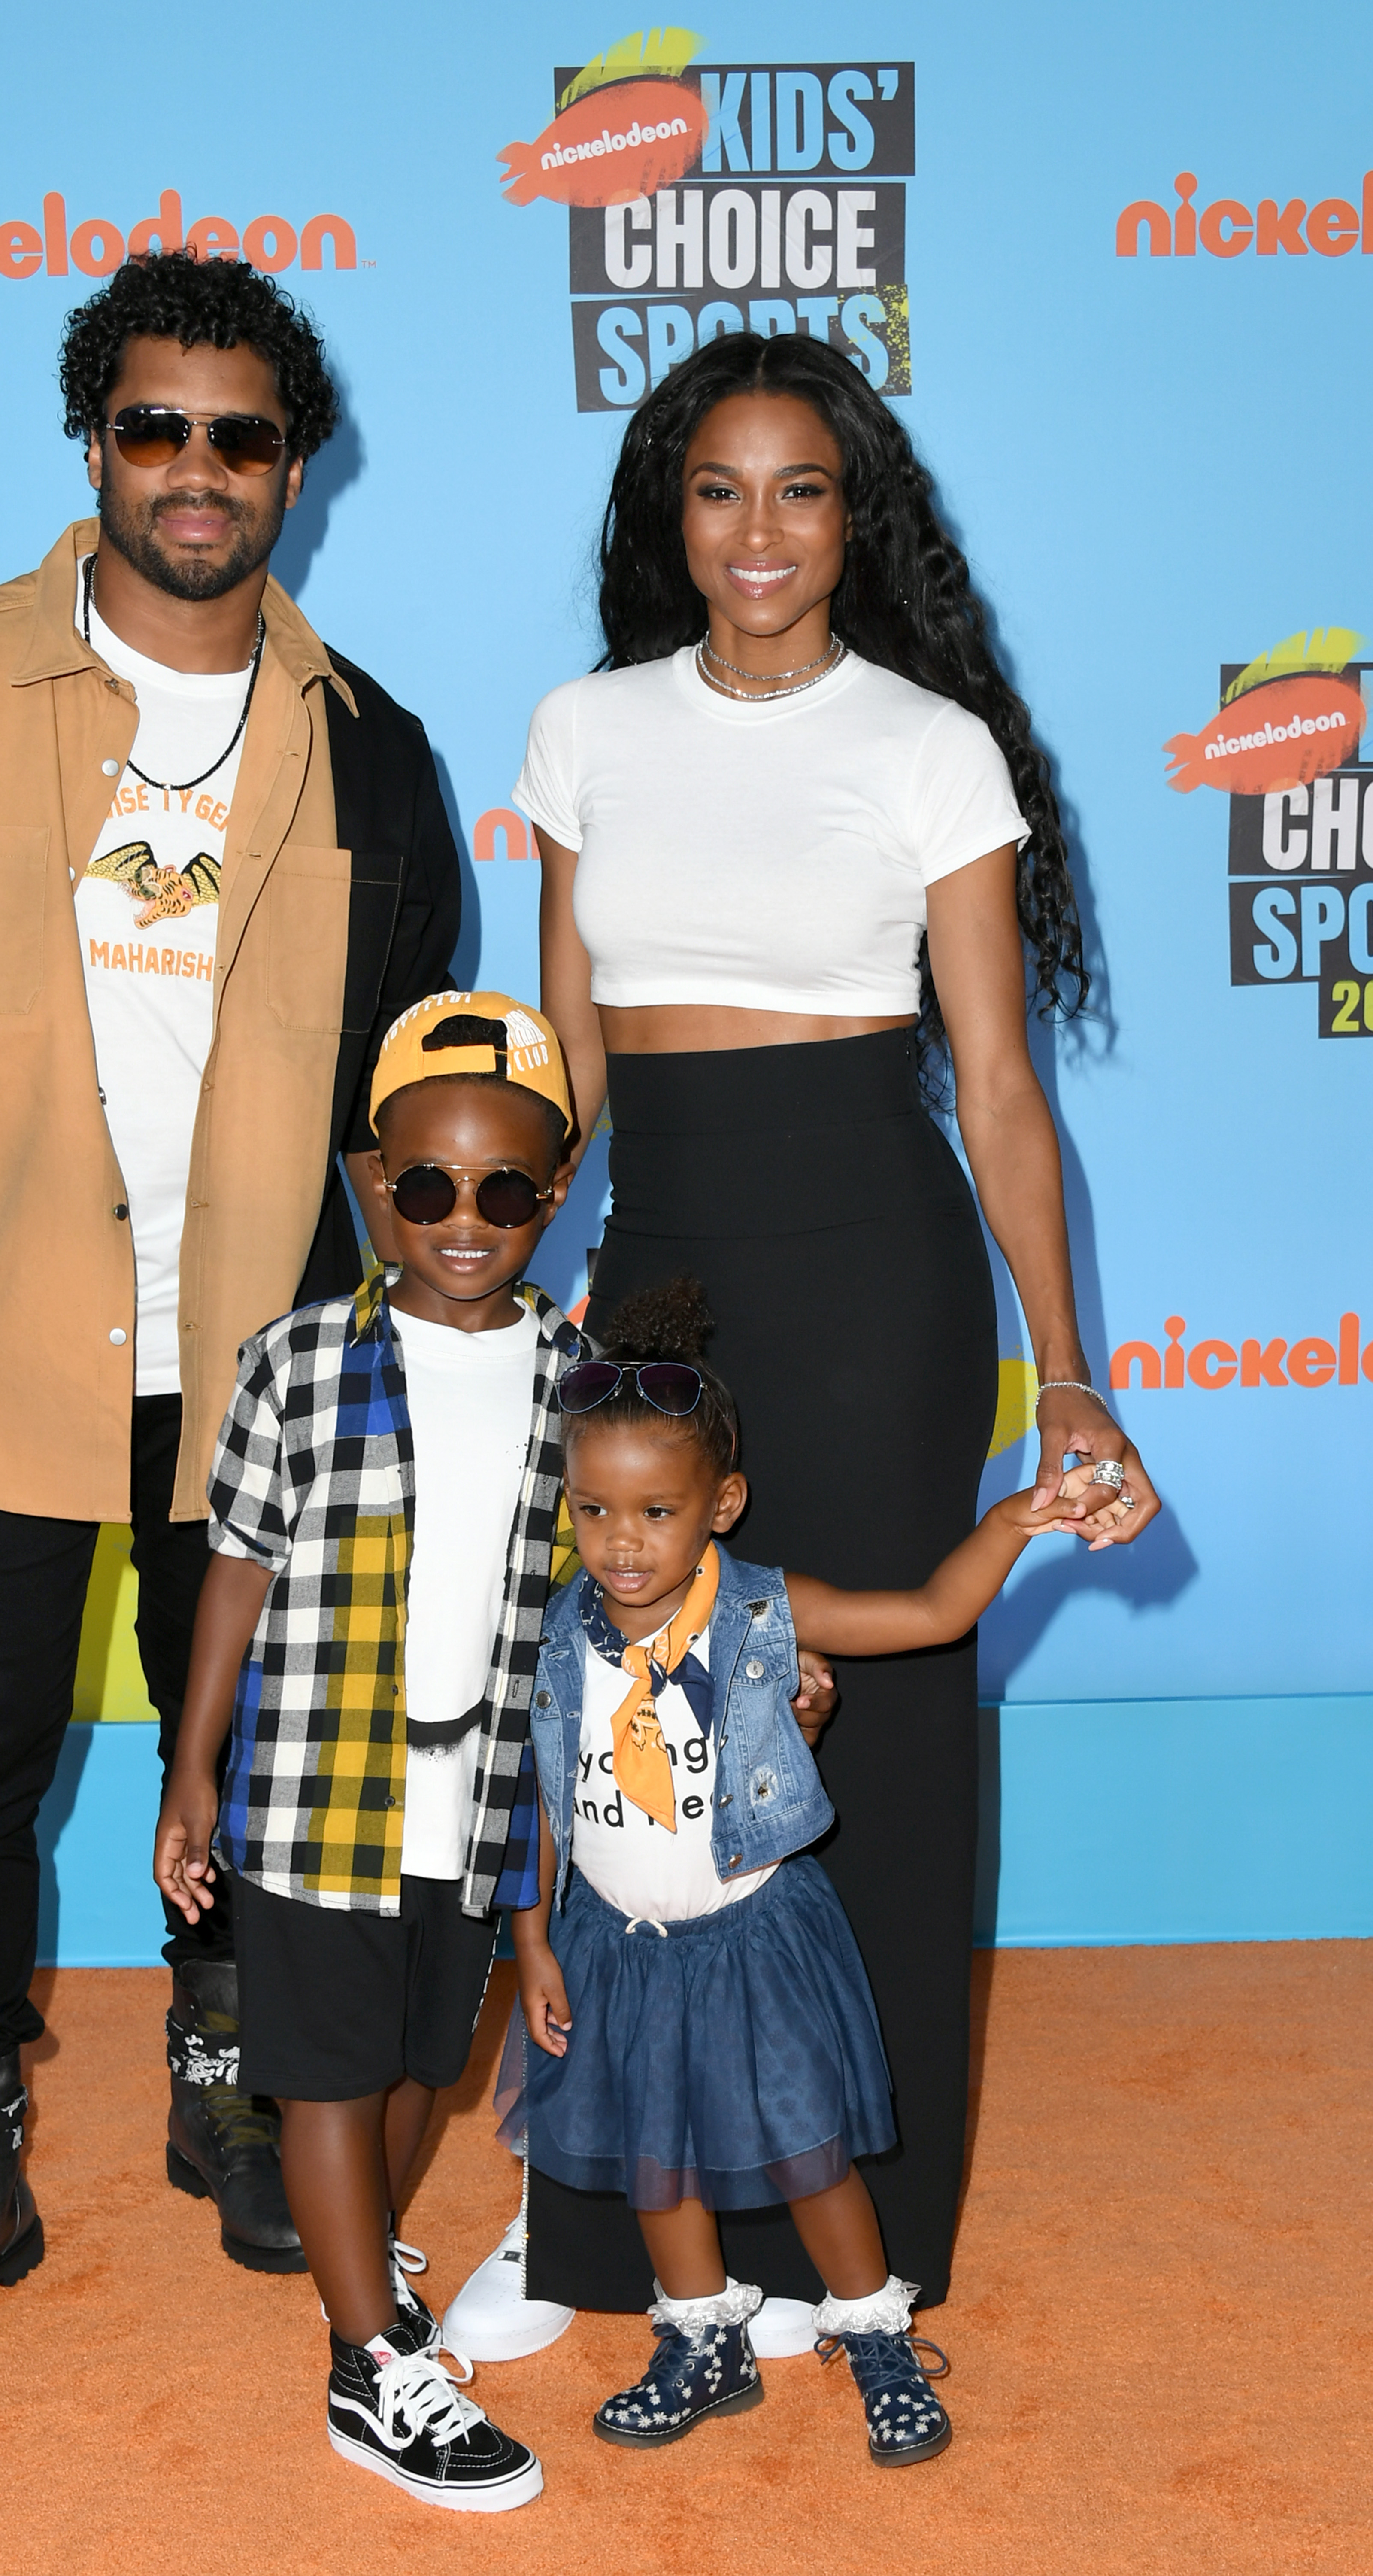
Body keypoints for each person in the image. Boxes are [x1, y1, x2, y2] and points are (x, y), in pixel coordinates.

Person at [0, 249, 461, 2394]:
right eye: (155, 425)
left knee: (236, 1749)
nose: (196, 470)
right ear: (96, 445)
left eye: (240, 435)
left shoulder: (374, 751)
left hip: (259, 1370)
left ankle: (223, 2088)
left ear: (294, 467)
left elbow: (404, 1100)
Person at [449, 326, 1160, 2359]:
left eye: (801, 491)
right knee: (623, 1723)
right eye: (717, 491)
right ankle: (602, 2230)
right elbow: (568, 1048)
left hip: (869, 1263)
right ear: (668, 515)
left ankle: (867, 2240)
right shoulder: (584, 728)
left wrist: (1070, 1365)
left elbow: (1000, 1086)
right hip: (660, 1248)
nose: (757, 533)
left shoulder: (929, 746)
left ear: (858, 519)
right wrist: (522, 1265)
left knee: (874, 1730)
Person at [504, 1278, 1131, 2463]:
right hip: (616, 1943)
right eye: (594, 1511)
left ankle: (875, 2329)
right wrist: (533, 1938)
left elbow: (934, 1613)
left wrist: (1016, 1521)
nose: (621, 1542)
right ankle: (702, 2336)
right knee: (655, 2152)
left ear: (722, 1504)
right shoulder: (555, 1634)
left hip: (753, 1935)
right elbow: (540, 1792)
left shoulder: (761, 1614)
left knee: (807, 2148)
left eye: (654, 1511)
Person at [153, 992, 594, 2513]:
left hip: (481, 1801)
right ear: (372, 1184)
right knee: (331, 2084)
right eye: (424, 1188)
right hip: (312, 1794)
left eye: (505, 1193)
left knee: (422, 2066)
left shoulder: (573, 1376)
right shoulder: (295, 1364)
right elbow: (236, 1566)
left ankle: (363, 2257)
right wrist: (189, 1766)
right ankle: (368, 2361)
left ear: (555, 1189)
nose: (462, 1221)